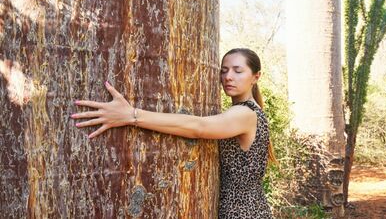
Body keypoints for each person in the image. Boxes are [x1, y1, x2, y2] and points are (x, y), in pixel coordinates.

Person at [72, 48, 275, 218]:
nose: (228, 77)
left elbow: (198, 127)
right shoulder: (246, 111)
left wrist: (131, 115)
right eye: (224, 71)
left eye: (238, 71)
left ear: (256, 77)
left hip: (244, 213)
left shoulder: (245, 113)